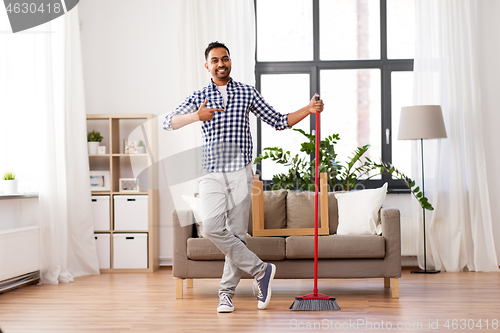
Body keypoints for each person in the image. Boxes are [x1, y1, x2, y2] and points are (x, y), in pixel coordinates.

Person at [163, 41, 323, 313]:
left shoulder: (246, 93)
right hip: (211, 172)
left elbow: (278, 120)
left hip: (240, 171)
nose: (220, 64)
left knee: (237, 234)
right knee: (212, 227)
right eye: (215, 60)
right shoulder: (200, 95)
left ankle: (226, 294)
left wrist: (307, 110)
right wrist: (196, 116)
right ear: (207, 66)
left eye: (224, 59)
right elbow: (169, 122)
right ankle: (261, 270)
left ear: (230, 62)